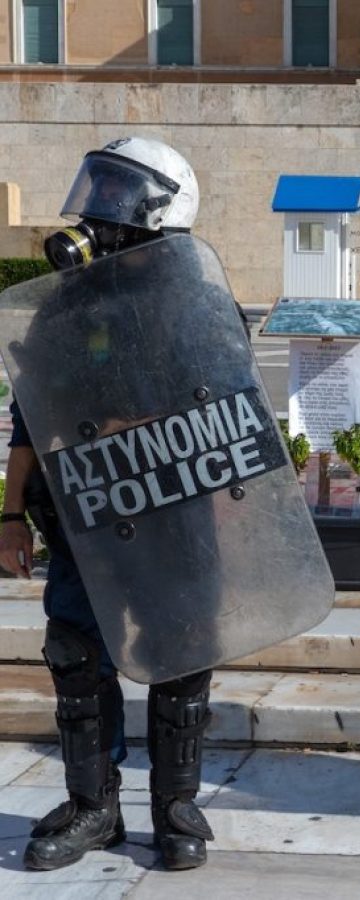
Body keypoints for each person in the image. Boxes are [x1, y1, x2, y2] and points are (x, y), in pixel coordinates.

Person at [2, 137, 216, 872]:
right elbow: (28, 417)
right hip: (84, 520)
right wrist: (7, 516)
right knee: (76, 656)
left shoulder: (199, 303)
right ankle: (94, 809)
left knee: (182, 657)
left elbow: (222, 411)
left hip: (176, 517)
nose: (98, 214)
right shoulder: (64, 309)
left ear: (161, 212)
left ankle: (176, 808)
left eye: (117, 196)